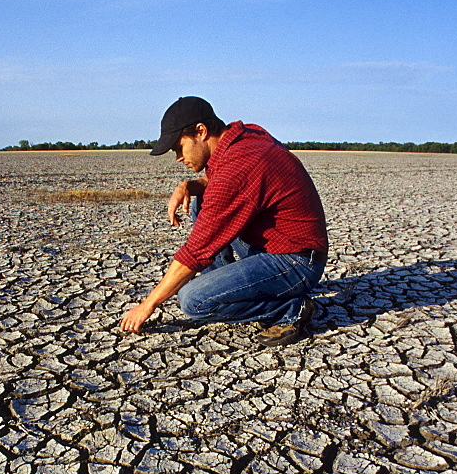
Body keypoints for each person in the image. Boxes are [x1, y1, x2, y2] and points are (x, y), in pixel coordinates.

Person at [119, 96, 328, 345]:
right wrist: (192, 185)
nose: (177, 157)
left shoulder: (240, 166)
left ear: (201, 131)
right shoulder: (244, 137)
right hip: (279, 245)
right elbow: (222, 178)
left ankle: (290, 310)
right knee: (202, 201)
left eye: (178, 147)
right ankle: (227, 287)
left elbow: (195, 253)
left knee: (193, 299)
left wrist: (147, 304)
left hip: (297, 261)